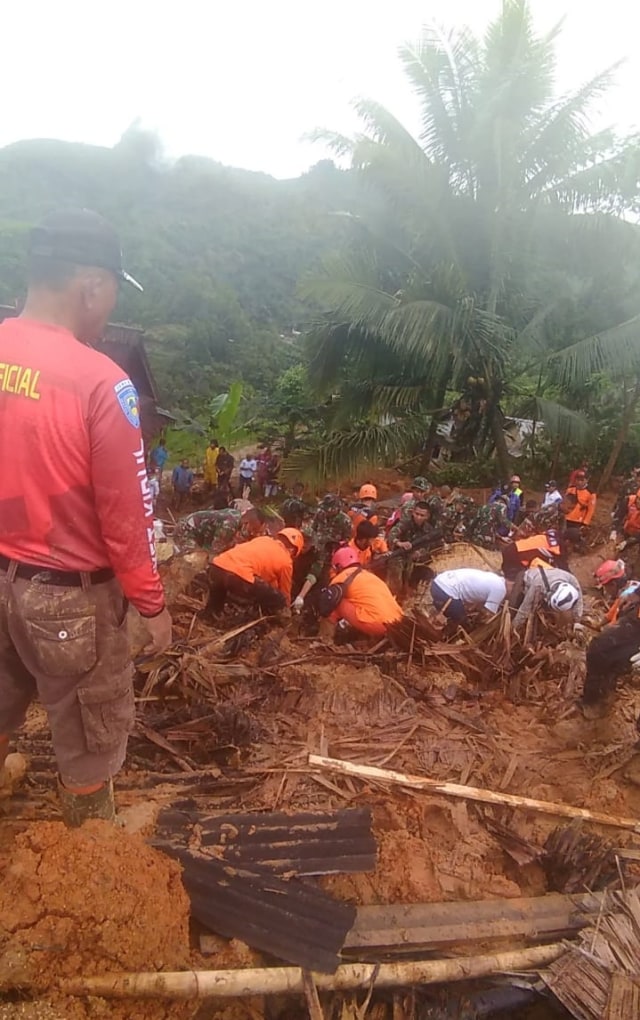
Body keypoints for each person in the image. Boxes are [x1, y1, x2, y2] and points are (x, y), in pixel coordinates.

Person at [0, 208, 172, 826]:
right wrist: (152, 607)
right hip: (69, 602)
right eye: (112, 293)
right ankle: (90, 852)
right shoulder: (103, 383)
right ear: (91, 287)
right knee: (89, 739)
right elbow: (126, 519)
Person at [206, 528, 303, 616]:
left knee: (216, 599)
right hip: (239, 577)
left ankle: (209, 615)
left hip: (217, 566)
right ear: (293, 550)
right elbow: (284, 592)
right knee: (279, 599)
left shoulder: (263, 539)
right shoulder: (286, 562)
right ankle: (272, 627)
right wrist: (287, 610)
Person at [579, 583, 640, 720]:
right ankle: (601, 695)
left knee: (602, 653)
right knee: (606, 655)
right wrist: (635, 595)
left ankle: (595, 700)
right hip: (634, 618)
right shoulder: (629, 597)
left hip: (635, 626)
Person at [324, 547, 403, 638]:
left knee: (333, 600)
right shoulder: (370, 576)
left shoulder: (341, 578)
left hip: (377, 625)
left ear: (339, 566)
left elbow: (327, 603)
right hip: (399, 623)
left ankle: (325, 638)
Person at [293, 495, 353, 611]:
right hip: (315, 546)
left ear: (336, 508)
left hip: (330, 552)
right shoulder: (320, 514)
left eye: (328, 509)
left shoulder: (345, 521)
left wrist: (334, 543)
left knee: (322, 579)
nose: (325, 511)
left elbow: (347, 540)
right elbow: (313, 529)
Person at [387, 501, 442, 596]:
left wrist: (419, 553)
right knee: (396, 568)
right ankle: (393, 594)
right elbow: (392, 534)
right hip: (400, 554)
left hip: (417, 559)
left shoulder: (429, 530)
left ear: (427, 516)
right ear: (413, 512)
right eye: (417, 514)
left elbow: (430, 547)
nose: (418, 517)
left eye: (422, 515)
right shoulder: (405, 523)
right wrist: (399, 543)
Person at [512, 564, 583, 633]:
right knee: (513, 607)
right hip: (525, 580)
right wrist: (514, 627)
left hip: (546, 577)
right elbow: (525, 609)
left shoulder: (571, 579)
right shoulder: (538, 585)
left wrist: (577, 621)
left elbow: (579, 600)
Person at [430, 569, 506, 630]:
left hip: (437, 583)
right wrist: (476, 624)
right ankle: (447, 640)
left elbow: (477, 604)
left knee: (456, 614)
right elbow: (487, 615)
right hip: (446, 590)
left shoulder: (494, 578)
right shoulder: (501, 589)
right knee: (465, 624)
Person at [173, 507, 267, 554]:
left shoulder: (238, 517)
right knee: (194, 560)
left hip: (198, 534)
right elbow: (216, 551)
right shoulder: (230, 524)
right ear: (247, 523)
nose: (252, 533)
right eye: (253, 529)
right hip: (185, 531)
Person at [501, 529, 565, 585]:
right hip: (516, 555)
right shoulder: (556, 548)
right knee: (512, 583)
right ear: (568, 542)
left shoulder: (550, 535)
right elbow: (563, 570)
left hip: (513, 547)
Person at [564, 472, 596, 547]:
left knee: (575, 539)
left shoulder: (591, 493)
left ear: (586, 480)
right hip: (566, 517)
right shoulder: (570, 489)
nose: (579, 482)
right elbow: (565, 502)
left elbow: (591, 509)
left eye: (582, 480)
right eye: (578, 480)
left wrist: (585, 523)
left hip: (578, 521)